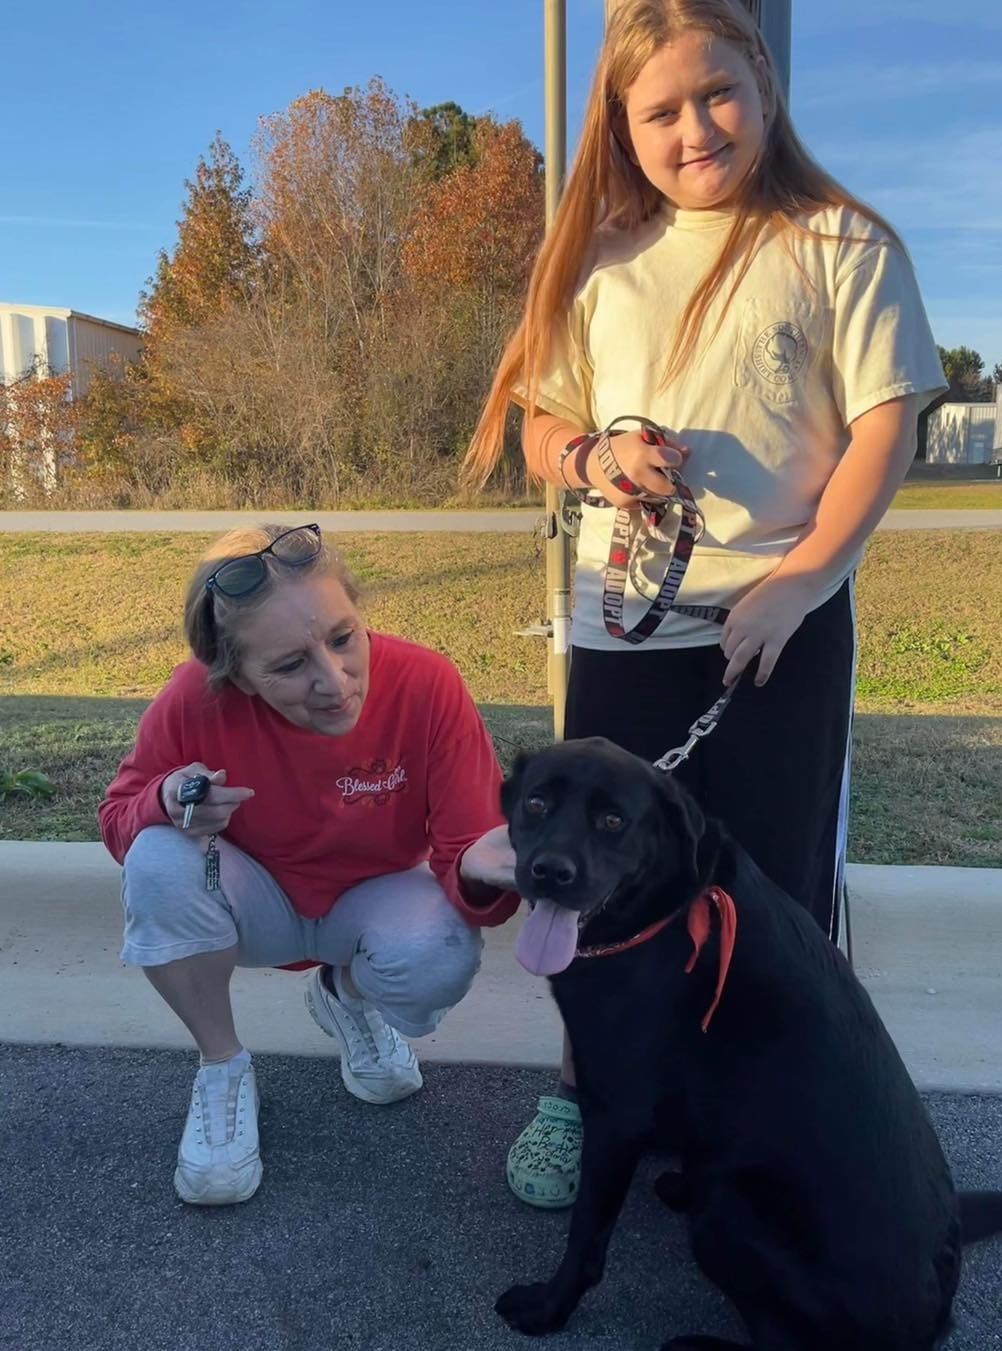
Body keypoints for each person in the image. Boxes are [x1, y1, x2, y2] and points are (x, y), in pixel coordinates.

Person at [461, 0, 947, 1209]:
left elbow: (885, 429)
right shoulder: (599, 262)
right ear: (623, 128)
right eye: (660, 110)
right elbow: (541, 427)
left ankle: (773, 1117)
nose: (695, 128)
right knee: (588, 882)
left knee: (767, 897)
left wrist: (801, 582)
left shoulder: (844, 242)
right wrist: (592, 461)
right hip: (621, 634)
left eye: (716, 94)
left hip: (780, 630)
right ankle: (584, 1092)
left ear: (764, 88)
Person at [99, 523, 518, 1206]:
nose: (334, 681)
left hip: (369, 902)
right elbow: (119, 820)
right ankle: (222, 1065)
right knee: (156, 857)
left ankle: (345, 995)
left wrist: (485, 866)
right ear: (236, 673)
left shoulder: (427, 682)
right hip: (252, 902)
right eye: (290, 666)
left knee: (440, 951)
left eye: (344, 637)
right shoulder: (193, 698)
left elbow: (466, 849)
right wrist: (167, 798)